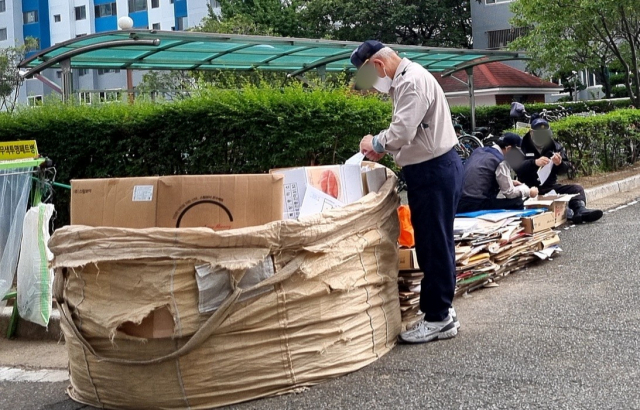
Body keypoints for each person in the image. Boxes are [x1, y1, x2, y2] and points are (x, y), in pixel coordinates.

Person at [352, 40, 463, 343]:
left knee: (432, 245)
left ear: (377, 66)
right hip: (434, 168)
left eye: (367, 77)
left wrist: (373, 143)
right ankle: (444, 311)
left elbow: (401, 132)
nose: (370, 85)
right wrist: (385, 147)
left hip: (433, 170)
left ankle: (438, 317)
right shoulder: (408, 79)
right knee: (437, 242)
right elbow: (408, 134)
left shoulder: (411, 82)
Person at [516, 117, 603, 224]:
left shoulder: (554, 146)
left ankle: (580, 211)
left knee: (577, 189)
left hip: (549, 187)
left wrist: (559, 164)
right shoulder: (521, 146)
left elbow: (565, 168)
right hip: (529, 189)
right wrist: (534, 162)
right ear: (531, 133)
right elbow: (517, 168)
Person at [457, 133, 538, 213]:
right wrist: (529, 191)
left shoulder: (478, 151)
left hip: (459, 203)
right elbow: (509, 193)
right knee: (517, 203)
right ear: (509, 149)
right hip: (476, 204)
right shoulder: (501, 161)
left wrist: (511, 182)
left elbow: (481, 176)